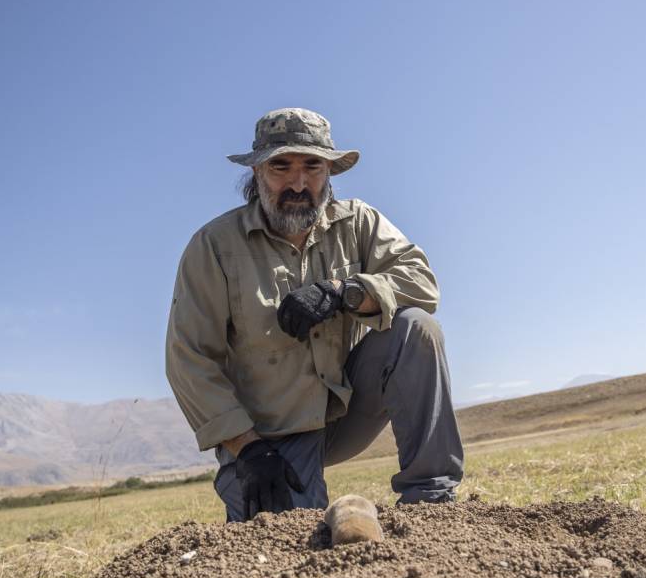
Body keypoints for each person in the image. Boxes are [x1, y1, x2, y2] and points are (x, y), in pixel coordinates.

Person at [165, 107, 464, 522]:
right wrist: (248, 448)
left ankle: (431, 499)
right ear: (256, 173)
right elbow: (189, 359)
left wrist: (347, 292)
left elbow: (422, 282)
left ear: (329, 174)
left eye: (313, 166)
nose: (298, 182)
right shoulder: (213, 247)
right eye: (281, 166)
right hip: (270, 438)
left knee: (417, 329)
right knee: (282, 541)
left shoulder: (359, 221)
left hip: (345, 411)